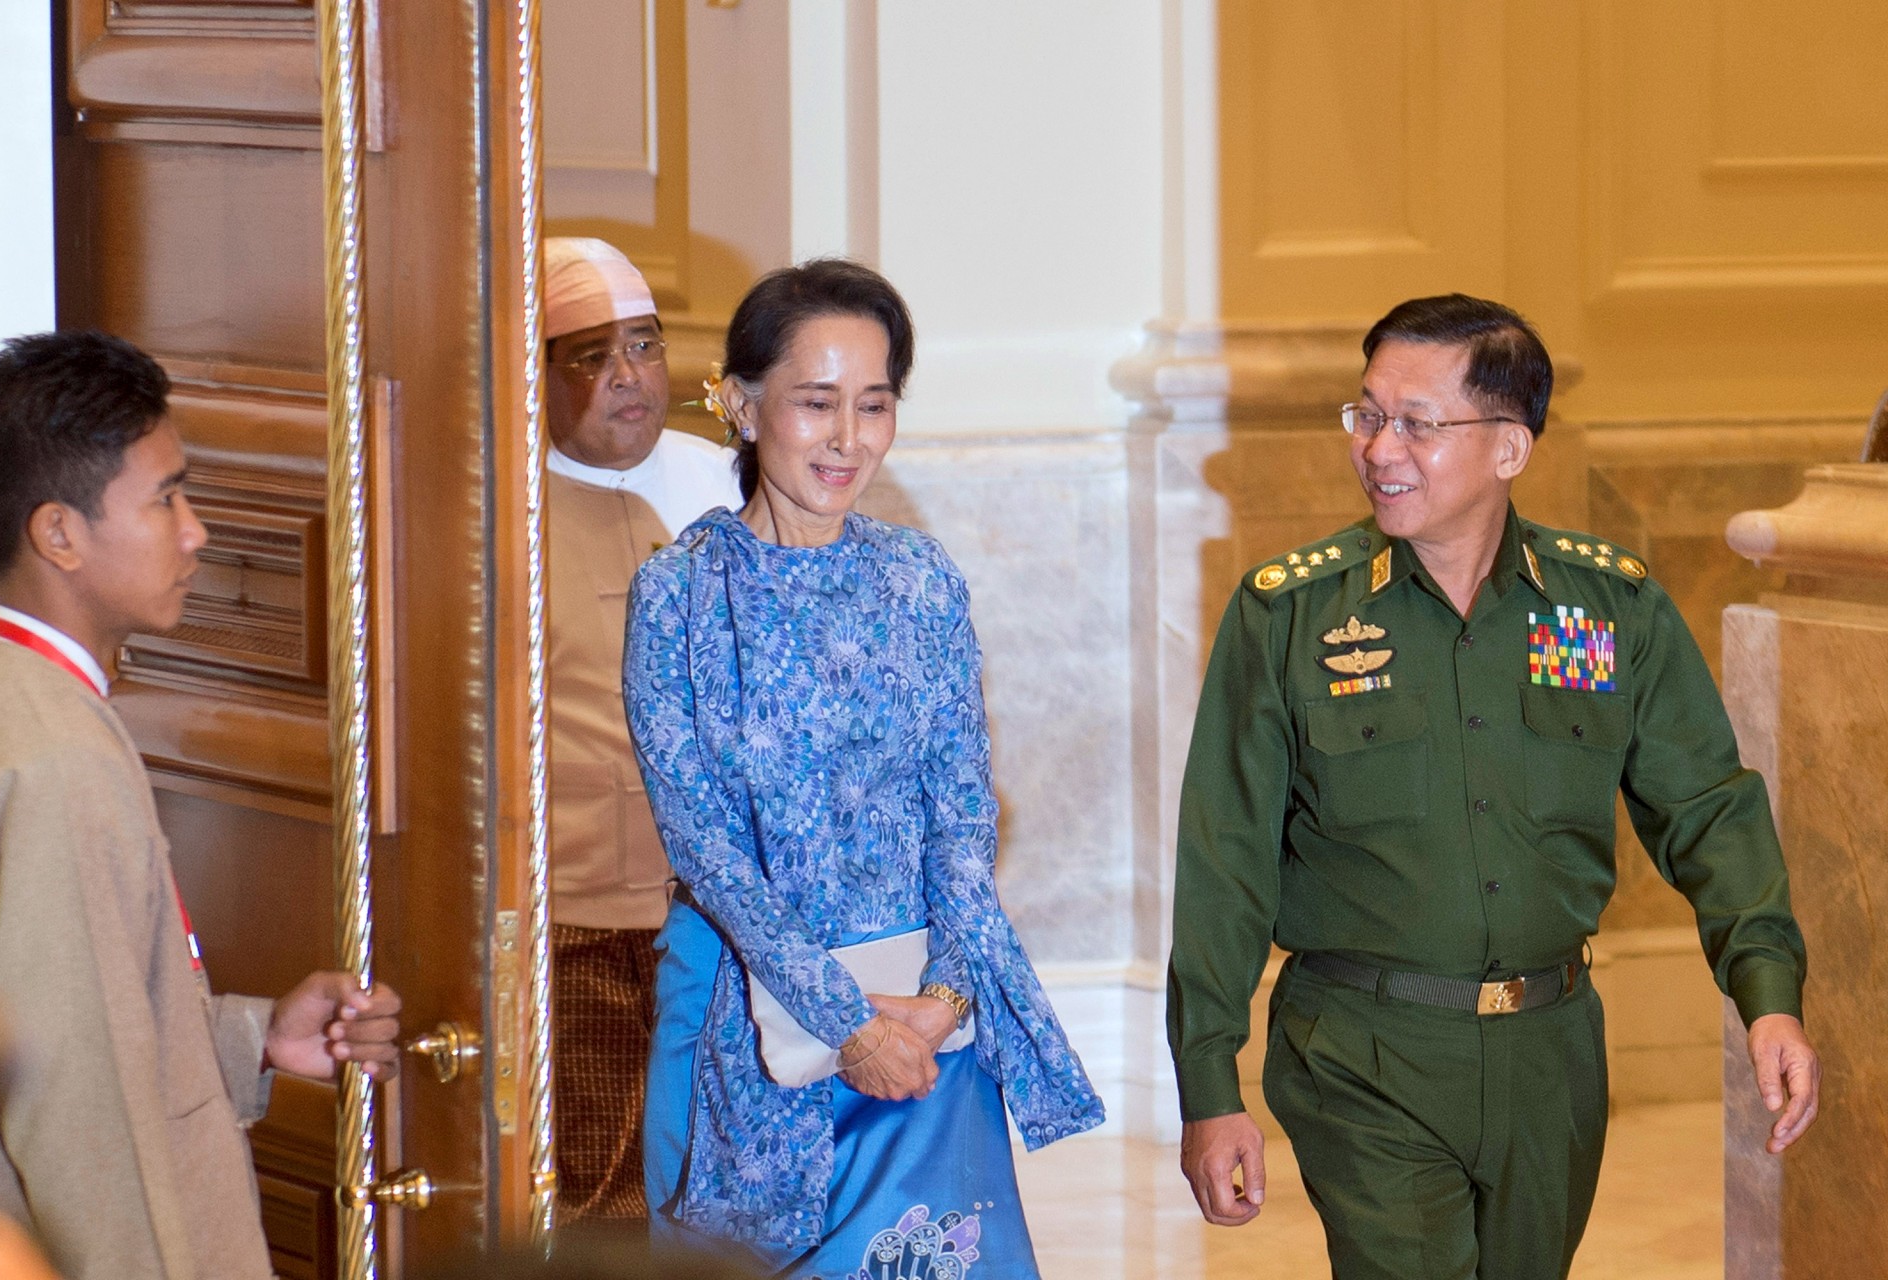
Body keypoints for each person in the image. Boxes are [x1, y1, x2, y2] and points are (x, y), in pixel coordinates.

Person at [1169, 294, 1819, 1280]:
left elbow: (1706, 808)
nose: (1379, 447)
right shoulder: (1291, 617)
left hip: (1551, 1058)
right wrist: (1210, 1085)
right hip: (1364, 1049)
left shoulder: (1600, 612)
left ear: (1510, 447)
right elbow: (1225, 858)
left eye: (1417, 423)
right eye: (1367, 414)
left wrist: (1767, 994)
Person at [625, 259, 1104, 1275]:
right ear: (741, 404)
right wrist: (843, 1022)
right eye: (817, 402)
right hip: (748, 1012)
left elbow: (962, 812)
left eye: (875, 404)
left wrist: (946, 994)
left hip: (921, 1015)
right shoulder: (679, 595)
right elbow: (704, 846)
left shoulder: (918, 577)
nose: (849, 438)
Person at [0, 330, 404, 1279]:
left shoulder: (3, 697)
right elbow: (82, 1123)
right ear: (58, 534)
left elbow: (63, 1026)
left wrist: (255, 1040)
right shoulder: (57, 760)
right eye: (165, 498)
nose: (196, 531)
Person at [542, 237, 741, 1226]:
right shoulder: (488, 509)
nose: (629, 375)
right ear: (534, 373)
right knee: (604, 1197)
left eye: (646, 345)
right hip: (577, 922)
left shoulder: (727, 486)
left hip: (729, 910)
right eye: (593, 354)